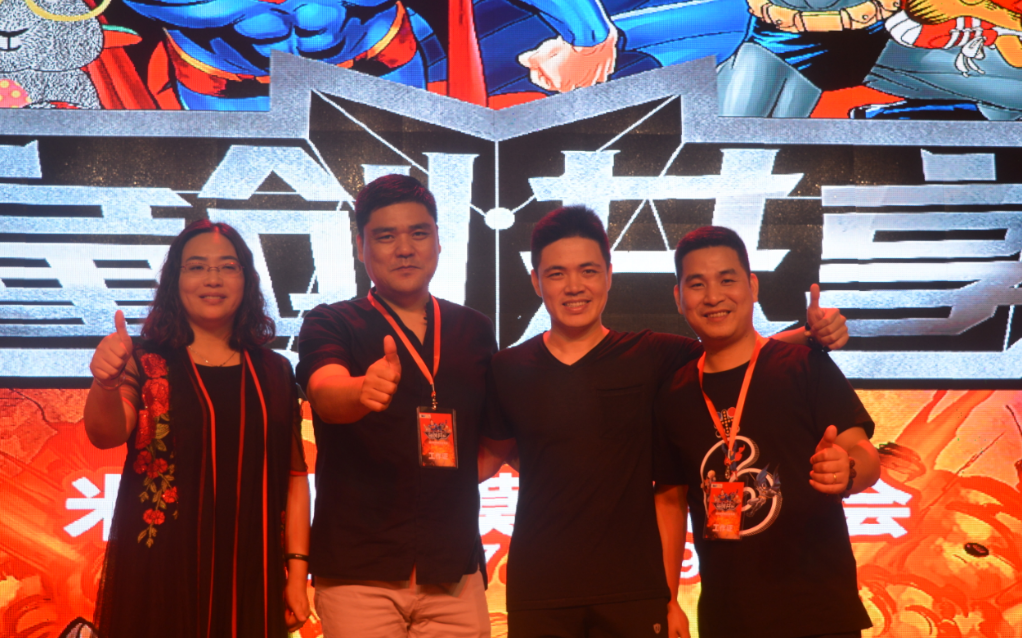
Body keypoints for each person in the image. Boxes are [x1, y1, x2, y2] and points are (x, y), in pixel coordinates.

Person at [480, 206, 849, 638]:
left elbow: (734, 348)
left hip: (635, 590)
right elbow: (491, 455)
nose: (575, 286)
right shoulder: (508, 368)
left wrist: (810, 334)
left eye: (588, 271)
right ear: (535, 281)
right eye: (557, 274)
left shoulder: (652, 355)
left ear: (609, 275)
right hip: (540, 589)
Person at [85, 220, 311, 638]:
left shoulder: (275, 371)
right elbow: (106, 434)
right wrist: (105, 382)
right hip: (162, 568)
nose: (212, 278)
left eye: (227, 266)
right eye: (196, 267)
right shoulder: (145, 360)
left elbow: (295, 477)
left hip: (252, 569)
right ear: (175, 280)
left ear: (246, 279)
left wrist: (297, 574)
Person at [653, 225, 881, 638]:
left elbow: (864, 453)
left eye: (727, 280)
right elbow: (669, 502)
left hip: (820, 615)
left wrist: (847, 470)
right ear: (678, 297)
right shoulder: (674, 392)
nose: (713, 296)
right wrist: (668, 601)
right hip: (727, 619)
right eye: (697, 284)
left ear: (752, 286)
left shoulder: (804, 365)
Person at [296, 174, 495, 638]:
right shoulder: (332, 322)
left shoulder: (474, 328)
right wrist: (360, 391)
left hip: (453, 570)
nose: (404, 249)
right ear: (361, 246)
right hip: (358, 573)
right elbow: (324, 392)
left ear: (438, 241)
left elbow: (494, 427)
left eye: (418, 233)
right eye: (385, 236)